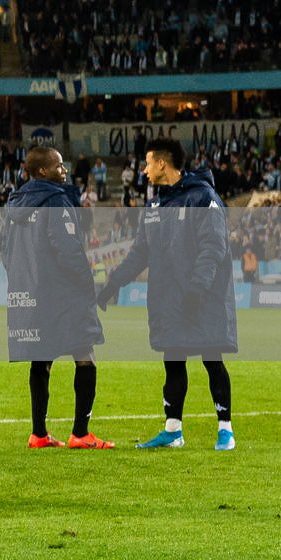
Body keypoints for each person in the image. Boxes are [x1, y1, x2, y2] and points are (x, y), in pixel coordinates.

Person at [102, 138, 237, 451]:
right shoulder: (154, 205)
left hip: (201, 297)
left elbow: (213, 246)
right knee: (173, 362)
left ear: (162, 163)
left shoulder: (203, 197)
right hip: (170, 299)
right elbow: (139, 252)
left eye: (148, 162)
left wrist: (197, 288)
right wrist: (113, 283)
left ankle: (225, 430)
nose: (145, 169)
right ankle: (173, 430)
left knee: (211, 360)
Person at [3, 146, 112, 450]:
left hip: (32, 295)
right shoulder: (57, 201)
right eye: (59, 165)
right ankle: (81, 433)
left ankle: (38, 433)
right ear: (42, 172)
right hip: (63, 295)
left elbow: (5, 252)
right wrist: (87, 286)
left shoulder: (14, 205)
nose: (64, 170)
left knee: (41, 358)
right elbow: (67, 249)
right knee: (85, 355)